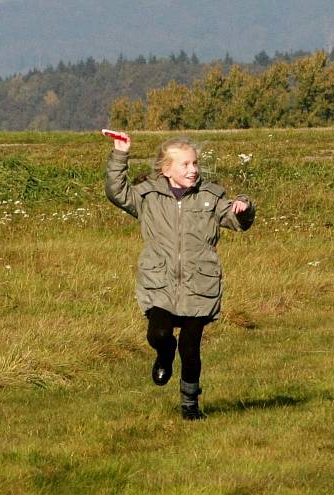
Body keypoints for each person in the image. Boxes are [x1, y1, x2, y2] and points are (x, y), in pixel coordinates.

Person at [105, 133, 255, 419]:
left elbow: (237, 220)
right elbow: (116, 191)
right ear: (166, 170)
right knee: (159, 333)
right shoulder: (146, 196)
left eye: (195, 163)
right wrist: (120, 154)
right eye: (185, 164)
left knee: (190, 347)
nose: (193, 169)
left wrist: (244, 207)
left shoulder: (210, 197)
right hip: (159, 282)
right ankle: (164, 354)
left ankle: (190, 405)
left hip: (200, 284)